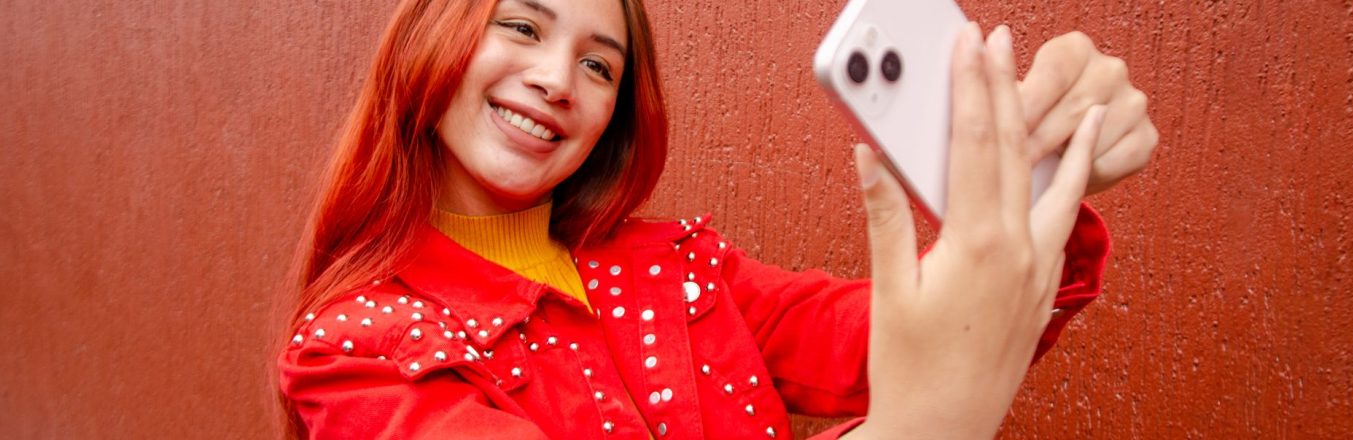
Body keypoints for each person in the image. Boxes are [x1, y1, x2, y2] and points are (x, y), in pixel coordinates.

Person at [277, 0, 1158, 438]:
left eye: (599, 65)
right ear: (429, 36)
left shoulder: (680, 267)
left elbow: (902, 333)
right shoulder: (349, 355)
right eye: (521, 26)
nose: (556, 79)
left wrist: (1034, 177)